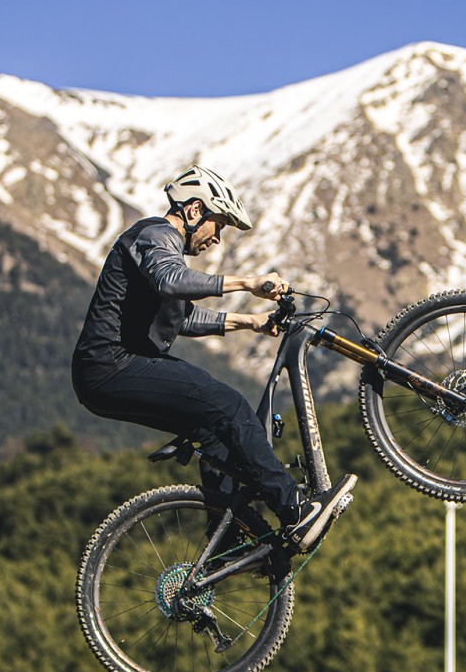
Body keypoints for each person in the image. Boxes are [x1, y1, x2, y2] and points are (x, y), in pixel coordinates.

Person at [71, 165, 356, 553]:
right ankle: (296, 510)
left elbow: (182, 317)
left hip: (112, 371)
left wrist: (251, 322)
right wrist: (247, 283)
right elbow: (171, 281)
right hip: (112, 366)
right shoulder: (155, 235)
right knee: (229, 404)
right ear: (193, 211)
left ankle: (224, 543)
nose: (217, 238)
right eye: (218, 225)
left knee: (215, 434)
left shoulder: (164, 252)